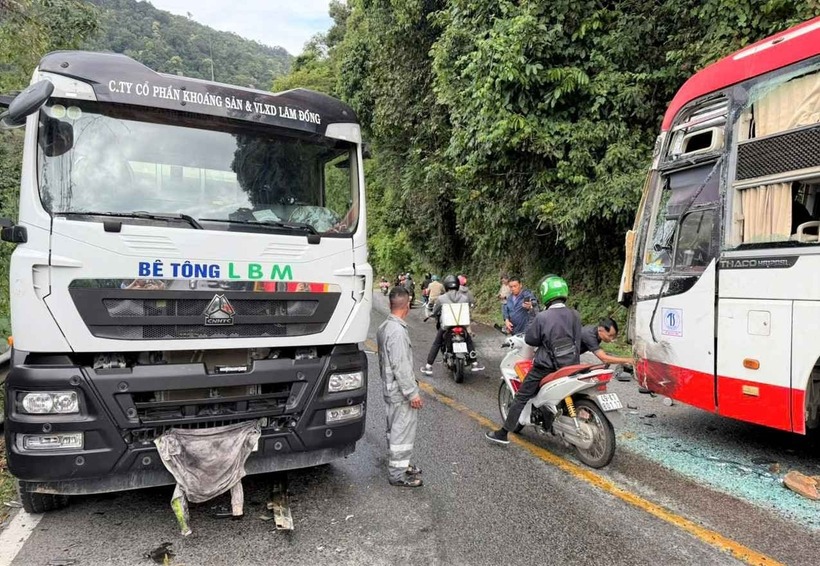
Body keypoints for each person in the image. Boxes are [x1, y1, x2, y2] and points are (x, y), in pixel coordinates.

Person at [485, 275, 581, 444]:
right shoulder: (575, 314)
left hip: (547, 366)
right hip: (571, 364)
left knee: (521, 396)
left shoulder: (543, 317)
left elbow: (531, 340)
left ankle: (503, 433)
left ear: (546, 294)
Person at [376, 286, 424, 487]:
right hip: (399, 391)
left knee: (394, 429)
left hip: (390, 388)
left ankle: (400, 464)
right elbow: (401, 365)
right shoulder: (397, 331)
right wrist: (412, 393)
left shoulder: (385, 327)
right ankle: (397, 473)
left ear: (390, 304)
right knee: (402, 431)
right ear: (408, 306)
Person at [420, 275, 484, 375]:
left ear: (446, 286)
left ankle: (429, 366)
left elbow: (435, 311)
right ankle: (474, 363)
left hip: (447, 326)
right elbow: (468, 309)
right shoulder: (464, 297)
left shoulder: (441, 298)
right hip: (462, 325)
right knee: (469, 341)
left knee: (437, 343)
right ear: (458, 285)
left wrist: (431, 314)